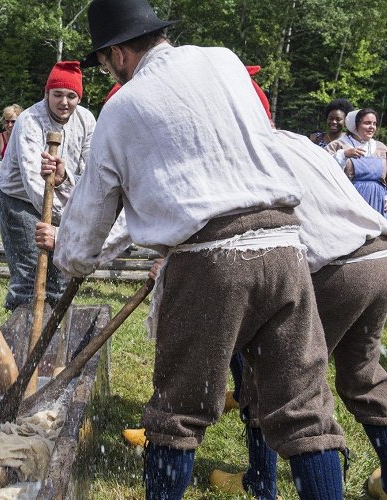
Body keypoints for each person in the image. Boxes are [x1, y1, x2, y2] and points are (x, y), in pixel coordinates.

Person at [50, 0, 347, 498]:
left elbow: (91, 214)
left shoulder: (122, 106)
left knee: (176, 415)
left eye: (104, 62)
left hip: (211, 262)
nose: (107, 72)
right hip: (283, 247)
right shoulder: (225, 61)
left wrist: (73, 258)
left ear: (119, 53)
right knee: (305, 411)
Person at [209, 129, 387, 500]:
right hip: (377, 255)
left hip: (333, 268)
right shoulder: (298, 140)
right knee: (364, 376)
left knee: (278, 384)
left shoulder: (241, 151)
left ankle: (261, 481)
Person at [0, 61, 96, 312]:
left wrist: (72, 212)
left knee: (60, 271)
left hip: (63, 198)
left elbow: (92, 171)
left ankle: (53, 334)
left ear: (78, 97)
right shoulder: (28, 121)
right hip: (21, 200)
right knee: (30, 273)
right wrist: (68, 219)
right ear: (46, 93)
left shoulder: (86, 120)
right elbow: (33, 182)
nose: (64, 102)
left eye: (71, 96)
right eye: (58, 94)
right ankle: (21, 334)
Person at [326, 108, 387, 214]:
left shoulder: (381, 148)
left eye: (374, 123)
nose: (372, 127)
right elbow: (323, 168)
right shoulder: (338, 145)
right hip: (349, 200)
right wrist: (344, 155)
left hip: (379, 201)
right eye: (367, 123)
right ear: (355, 125)